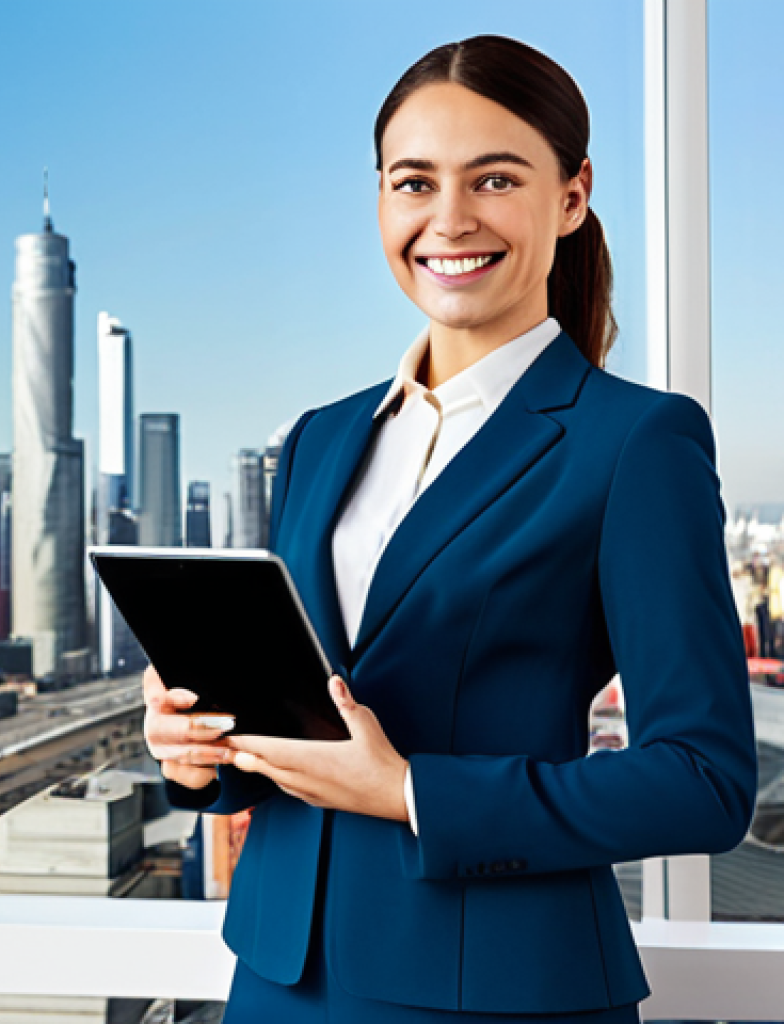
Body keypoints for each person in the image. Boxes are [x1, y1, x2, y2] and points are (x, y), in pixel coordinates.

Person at [142, 34, 759, 1023]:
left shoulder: (634, 442)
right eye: (413, 182)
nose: (448, 219)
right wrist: (198, 751)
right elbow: (310, 714)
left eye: (494, 179)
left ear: (570, 196)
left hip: (497, 989)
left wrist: (409, 791)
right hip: (277, 975)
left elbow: (705, 780)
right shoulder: (317, 437)